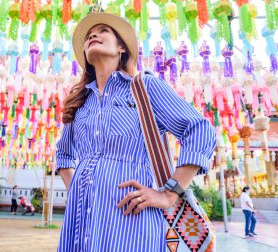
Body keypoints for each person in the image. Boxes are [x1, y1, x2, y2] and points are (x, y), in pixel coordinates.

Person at [55, 9, 216, 251]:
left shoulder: (144, 87)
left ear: (121, 48)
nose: (93, 36)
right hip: (81, 223)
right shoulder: (80, 102)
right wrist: (80, 189)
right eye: (89, 35)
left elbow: (199, 129)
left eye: (103, 31)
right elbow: (63, 155)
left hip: (131, 220)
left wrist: (169, 193)